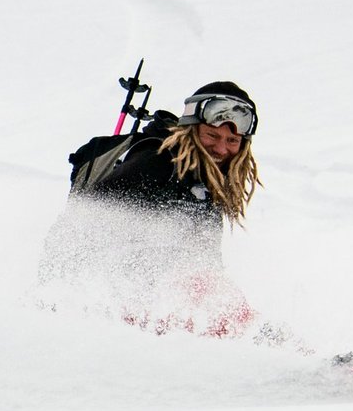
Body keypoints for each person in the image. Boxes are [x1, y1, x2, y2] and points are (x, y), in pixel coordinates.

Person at [42, 81, 262, 335]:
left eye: (233, 140)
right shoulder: (156, 162)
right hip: (110, 296)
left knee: (218, 297)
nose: (222, 148)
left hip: (159, 303)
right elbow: (84, 225)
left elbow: (205, 263)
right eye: (212, 135)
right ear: (190, 129)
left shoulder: (207, 187)